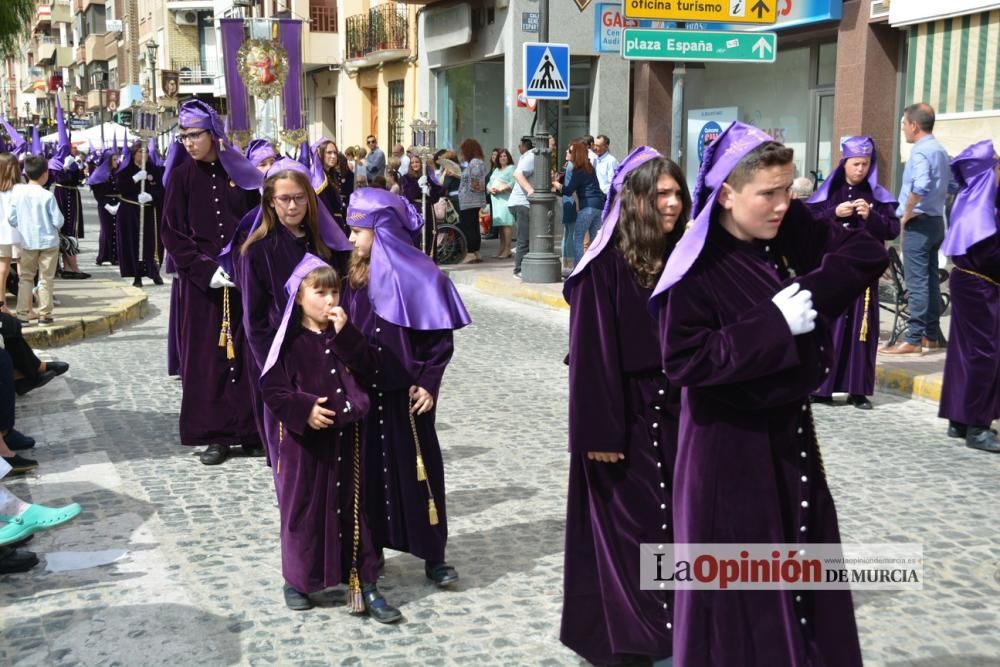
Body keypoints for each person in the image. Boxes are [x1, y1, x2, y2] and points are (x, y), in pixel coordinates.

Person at [649, 122, 888, 667]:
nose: (783, 205)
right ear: (728, 195)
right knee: (743, 604)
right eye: (769, 194)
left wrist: (811, 289)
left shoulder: (781, 234)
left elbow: (866, 252)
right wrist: (773, 324)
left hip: (788, 443)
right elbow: (686, 359)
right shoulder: (695, 267)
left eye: (789, 191)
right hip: (727, 458)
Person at [561, 147, 690, 665]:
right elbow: (592, 356)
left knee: (674, 526)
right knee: (629, 534)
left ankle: (673, 626)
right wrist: (599, 436)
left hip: (678, 413)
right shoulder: (604, 268)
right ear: (634, 200)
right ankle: (641, 640)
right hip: (625, 418)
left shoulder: (682, 255)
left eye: (678, 191)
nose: (673, 202)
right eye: (661, 193)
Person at [258, 255, 403, 621]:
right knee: (304, 510)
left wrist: (348, 336)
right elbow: (273, 390)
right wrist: (304, 409)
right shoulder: (288, 343)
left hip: (350, 439)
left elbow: (371, 369)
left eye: (334, 292)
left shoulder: (345, 334)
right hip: (306, 447)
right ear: (299, 297)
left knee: (354, 509)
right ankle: (298, 579)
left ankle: (364, 581)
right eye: (319, 293)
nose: (329, 301)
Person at [341, 187, 470, 586]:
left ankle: (434, 555)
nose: (350, 239)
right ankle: (372, 548)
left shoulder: (423, 276)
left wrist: (429, 383)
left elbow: (439, 341)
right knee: (369, 477)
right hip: (366, 395)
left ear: (379, 231)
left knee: (420, 476)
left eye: (357, 231)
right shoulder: (355, 278)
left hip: (407, 399)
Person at [160, 100, 265, 465]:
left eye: (195, 135)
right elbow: (172, 233)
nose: (188, 142)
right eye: (183, 136)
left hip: (241, 280)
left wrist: (245, 262)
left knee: (248, 353)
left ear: (213, 134)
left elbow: (258, 220)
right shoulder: (181, 177)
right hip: (202, 286)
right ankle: (215, 434)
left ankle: (251, 430)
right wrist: (205, 270)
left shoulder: (241, 171)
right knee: (207, 359)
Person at [234, 159, 351, 445]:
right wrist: (276, 378)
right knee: (290, 453)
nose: (292, 206)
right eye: (284, 199)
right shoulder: (257, 251)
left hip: (326, 356)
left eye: (299, 198)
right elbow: (255, 323)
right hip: (282, 359)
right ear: (271, 202)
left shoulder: (323, 245)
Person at [806, 136, 901, 409]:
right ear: (844, 163)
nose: (860, 169)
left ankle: (857, 390)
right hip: (832, 270)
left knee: (862, 330)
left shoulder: (878, 196)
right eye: (856, 163)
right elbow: (810, 222)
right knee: (829, 326)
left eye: (865, 164)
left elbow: (892, 230)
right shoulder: (828, 193)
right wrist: (833, 212)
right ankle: (822, 388)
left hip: (862, 273)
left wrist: (871, 217)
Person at [938, 140, 1000, 453]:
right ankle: (978, 425)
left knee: (964, 351)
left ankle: (958, 419)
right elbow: (991, 255)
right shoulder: (982, 204)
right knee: (987, 353)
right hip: (980, 284)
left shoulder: (971, 198)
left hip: (968, 282)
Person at [882, 103, 952, 355]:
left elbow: (920, 186)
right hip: (935, 222)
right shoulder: (940, 150)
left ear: (914, 125)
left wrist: (907, 213)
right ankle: (930, 336)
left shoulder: (922, 152)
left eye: (903, 124)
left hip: (919, 223)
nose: (902, 129)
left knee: (918, 282)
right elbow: (950, 184)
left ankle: (913, 338)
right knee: (931, 280)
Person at [9, 155, 63, 326]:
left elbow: (12, 218)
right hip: (48, 243)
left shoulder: (18, 194)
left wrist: (24, 225)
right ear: (45, 174)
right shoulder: (47, 196)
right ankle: (44, 314)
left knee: (25, 278)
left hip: (28, 241)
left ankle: (23, 314)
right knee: (45, 279)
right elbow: (58, 221)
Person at [115, 142, 164, 287]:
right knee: (134, 243)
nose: (143, 156)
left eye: (146, 153)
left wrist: (151, 196)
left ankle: (154, 271)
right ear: (134, 154)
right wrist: (134, 179)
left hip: (150, 212)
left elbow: (161, 190)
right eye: (140, 153)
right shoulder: (125, 170)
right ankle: (137, 274)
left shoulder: (154, 170)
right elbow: (121, 187)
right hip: (131, 212)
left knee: (151, 243)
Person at [554, 141, 606, 266]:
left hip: (588, 207)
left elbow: (568, 190)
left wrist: (555, 184)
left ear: (576, 154)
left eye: (570, 151)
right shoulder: (589, 167)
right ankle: (595, 268)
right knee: (594, 240)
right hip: (599, 205)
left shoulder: (577, 170)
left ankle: (578, 269)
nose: (568, 152)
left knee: (577, 238)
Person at [88, 147, 120, 266]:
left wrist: (119, 203)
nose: (117, 162)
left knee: (117, 229)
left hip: (118, 203)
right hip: (105, 204)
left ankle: (116, 256)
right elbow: (97, 192)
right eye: (114, 160)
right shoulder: (100, 173)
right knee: (106, 229)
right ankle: (104, 255)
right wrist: (106, 205)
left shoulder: (118, 172)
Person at [457, 138, 487, 263]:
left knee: (468, 226)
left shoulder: (474, 163)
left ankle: (470, 252)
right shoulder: (478, 162)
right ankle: (476, 251)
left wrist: (470, 187)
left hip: (469, 200)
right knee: (474, 226)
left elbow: (475, 181)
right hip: (473, 200)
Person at [0, 153, 23, 311]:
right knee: (24, 270)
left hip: (3, 233)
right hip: (19, 233)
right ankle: (25, 306)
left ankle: (2, 305)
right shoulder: (21, 189)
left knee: (3, 268)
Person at [509, 137, 535, 277]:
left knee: (527, 238)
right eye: (552, 144)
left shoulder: (529, 156)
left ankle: (524, 266)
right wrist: (530, 189)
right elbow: (517, 174)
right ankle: (518, 269)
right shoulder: (533, 156)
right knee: (524, 238)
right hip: (522, 203)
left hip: (521, 203)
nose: (554, 148)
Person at [487, 148, 515, 259]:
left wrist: (502, 189)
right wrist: (489, 189)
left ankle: (508, 249)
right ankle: (501, 248)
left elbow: (513, 182)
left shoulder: (511, 168)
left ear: (508, 157)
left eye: (505, 156)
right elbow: (489, 182)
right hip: (496, 200)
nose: (503, 158)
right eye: (500, 156)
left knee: (506, 224)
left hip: (505, 199)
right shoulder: (496, 170)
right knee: (500, 226)